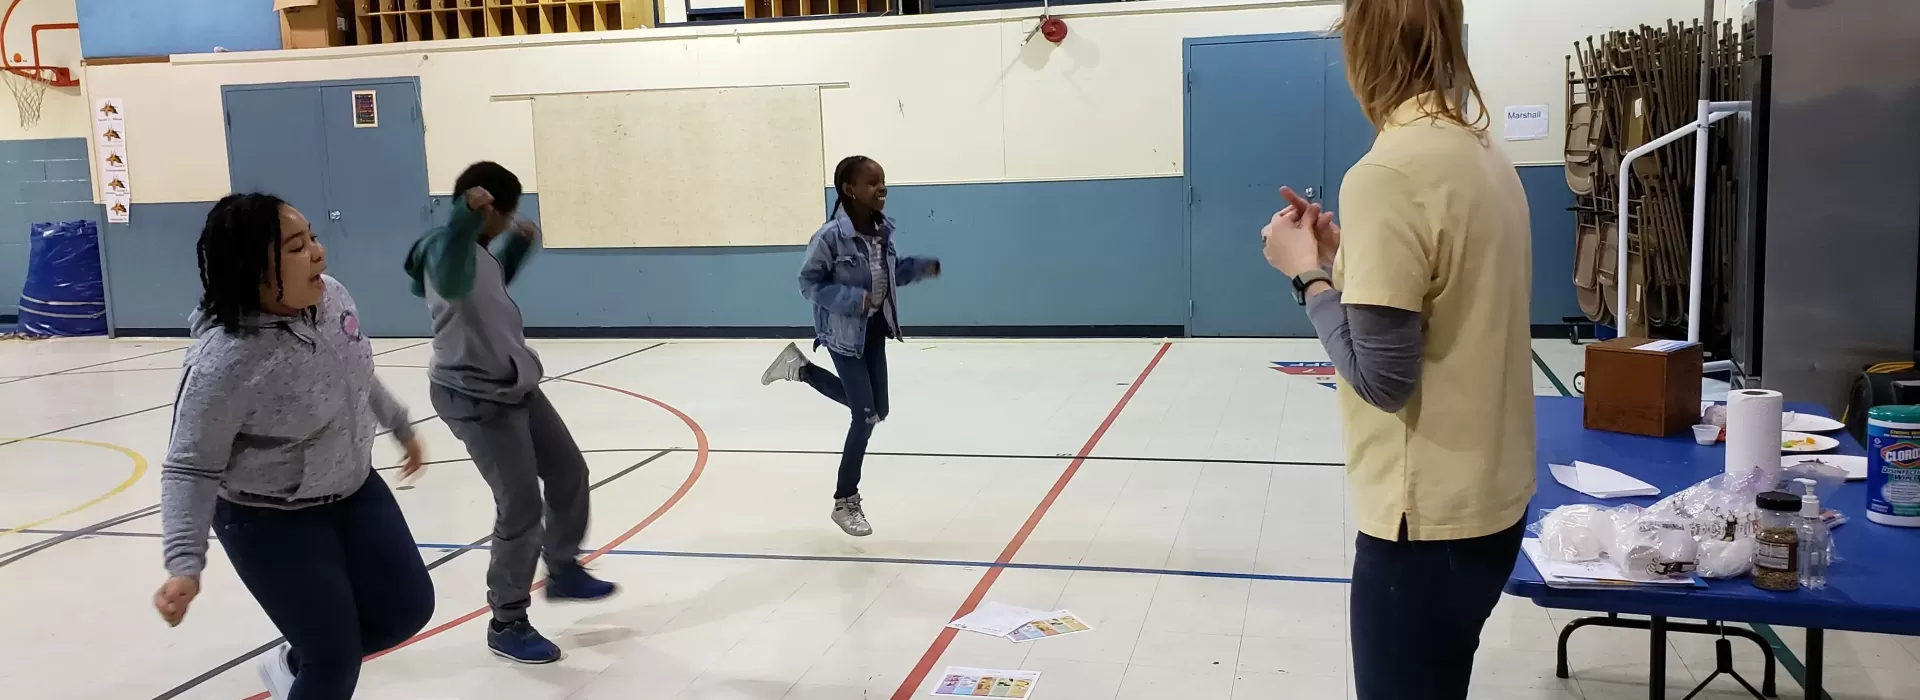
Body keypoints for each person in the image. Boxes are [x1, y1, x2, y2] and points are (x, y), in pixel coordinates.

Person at [1259, 1, 1536, 698]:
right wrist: (1345, 256)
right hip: (1494, 508)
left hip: (1424, 528)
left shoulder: (1386, 172)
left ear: (1362, 50)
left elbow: (1381, 378)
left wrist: (1308, 274)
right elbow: (1446, 286)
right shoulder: (1480, 152)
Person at [153, 193, 434, 700]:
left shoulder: (333, 298)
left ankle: (292, 663)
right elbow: (189, 469)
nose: (319, 254)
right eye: (297, 246)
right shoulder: (223, 363)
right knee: (333, 660)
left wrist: (399, 424)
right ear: (252, 269)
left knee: (407, 609)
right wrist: (184, 563)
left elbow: (355, 373)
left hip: (353, 488)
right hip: (268, 517)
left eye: (313, 238)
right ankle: (312, 663)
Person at [402, 161, 615, 665]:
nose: (508, 222)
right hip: (474, 396)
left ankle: (561, 567)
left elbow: (485, 289)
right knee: (519, 506)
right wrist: (460, 220)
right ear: (487, 207)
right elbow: (452, 284)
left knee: (568, 470)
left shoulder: (476, 252)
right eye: (507, 213)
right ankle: (507, 620)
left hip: (514, 384)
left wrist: (515, 248)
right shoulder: (443, 247)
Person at [761, 155, 942, 537]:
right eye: (872, 183)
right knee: (865, 416)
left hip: (875, 330)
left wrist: (919, 267)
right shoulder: (829, 237)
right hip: (843, 334)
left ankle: (801, 370)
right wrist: (851, 299)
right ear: (850, 190)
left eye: (884, 183)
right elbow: (809, 283)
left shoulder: (883, 231)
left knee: (880, 410)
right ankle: (845, 501)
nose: (882, 189)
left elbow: (891, 274)